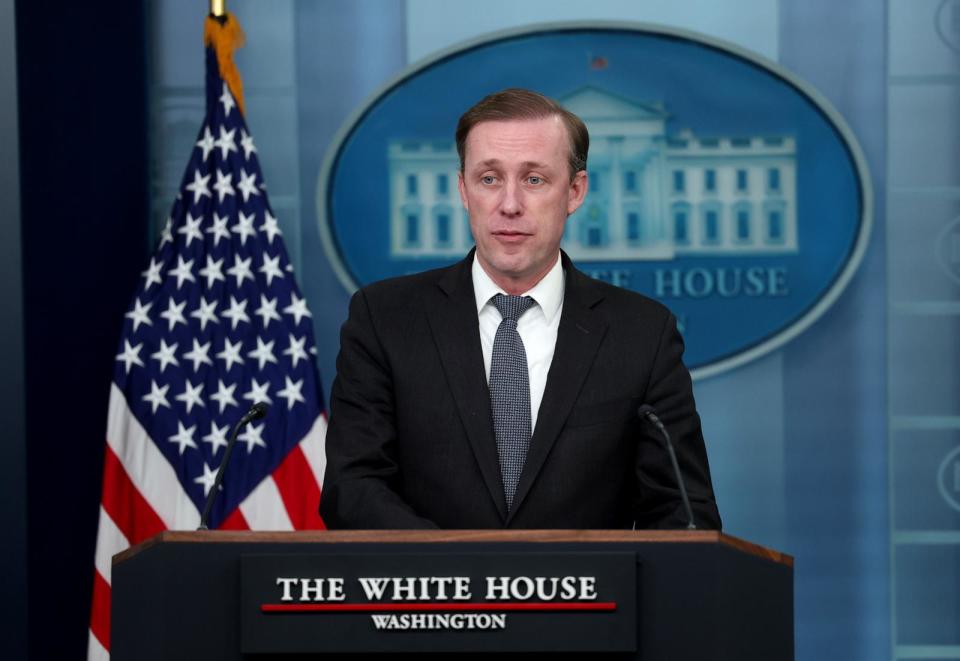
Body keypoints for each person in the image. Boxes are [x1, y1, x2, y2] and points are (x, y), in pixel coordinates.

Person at [320, 88, 721, 530]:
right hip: (433, 596)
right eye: (489, 179)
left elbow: (683, 513)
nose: (509, 205)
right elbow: (353, 488)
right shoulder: (385, 319)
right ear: (462, 189)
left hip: (592, 599)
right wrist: (461, 577)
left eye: (534, 179)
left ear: (574, 191)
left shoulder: (643, 334)